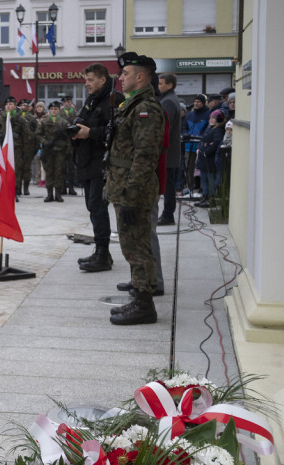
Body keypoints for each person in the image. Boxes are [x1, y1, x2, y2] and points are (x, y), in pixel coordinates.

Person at [104, 52, 164, 326]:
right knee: (131, 245)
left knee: (138, 247)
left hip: (134, 191)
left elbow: (145, 155)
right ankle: (139, 298)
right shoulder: (132, 104)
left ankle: (144, 306)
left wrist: (131, 193)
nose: (121, 77)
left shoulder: (146, 109)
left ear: (140, 77)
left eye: (125, 73)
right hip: (123, 186)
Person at [73, 63, 124, 272]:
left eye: (90, 80)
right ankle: (100, 251)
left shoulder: (114, 100)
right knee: (93, 208)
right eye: (85, 80)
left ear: (103, 79)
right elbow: (85, 120)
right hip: (87, 162)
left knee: (98, 207)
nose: (87, 84)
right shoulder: (92, 99)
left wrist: (90, 133)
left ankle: (103, 254)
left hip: (102, 163)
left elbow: (119, 131)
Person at [156, 73, 182, 226]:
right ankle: (167, 214)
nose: (158, 86)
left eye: (161, 84)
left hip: (168, 153)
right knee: (168, 184)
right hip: (170, 151)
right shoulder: (169, 99)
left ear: (170, 85)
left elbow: (164, 129)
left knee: (168, 185)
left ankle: (167, 215)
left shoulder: (168, 102)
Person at [37, 101, 70, 202]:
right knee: (49, 172)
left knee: (59, 172)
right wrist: (45, 142)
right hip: (48, 151)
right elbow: (38, 134)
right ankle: (49, 194)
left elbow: (68, 138)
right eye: (51, 109)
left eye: (55, 109)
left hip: (60, 151)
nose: (53, 111)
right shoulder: (44, 121)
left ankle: (58, 194)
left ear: (59, 110)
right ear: (49, 110)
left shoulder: (63, 122)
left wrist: (68, 150)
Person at [196, 110, 227, 208]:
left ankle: (210, 199)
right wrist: (201, 147)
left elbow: (216, 143)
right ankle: (204, 197)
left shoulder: (218, 130)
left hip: (209, 159)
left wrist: (206, 150)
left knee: (210, 179)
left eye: (213, 118)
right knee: (204, 179)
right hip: (204, 158)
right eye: (210, 118)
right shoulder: (210, 127)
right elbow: (203, 140)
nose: (210, 120)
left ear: (218, 119)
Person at [183, 94, 210, 195]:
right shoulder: (189, 114)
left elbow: (208, 128)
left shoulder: (208, 114)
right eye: (195, 101)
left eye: (198, 101)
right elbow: (184, 127)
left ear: (203, 103)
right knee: (188, 167)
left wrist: (201, 137)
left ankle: (202, 188)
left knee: (201, 168)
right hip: (188, 145)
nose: (196, 103)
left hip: (200, 146)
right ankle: (190, 186)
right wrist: (186, 134)